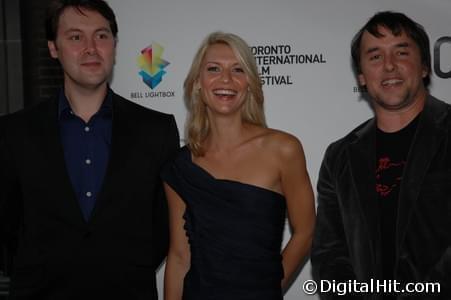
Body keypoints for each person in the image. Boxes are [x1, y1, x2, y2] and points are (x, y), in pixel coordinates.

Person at [0, 0, 179, 299]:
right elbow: (6, 226)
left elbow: (165, 226)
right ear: (53, 48)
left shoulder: (156, 130)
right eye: (75, 37)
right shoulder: (13, 132)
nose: (91, 47)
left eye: (101, 35)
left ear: (115, 45)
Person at [161, 32, 315, 300]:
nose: (226, 79)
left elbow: (306, 231)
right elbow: (178, 256)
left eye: (238, 69)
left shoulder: (283, 149)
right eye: (213, 69)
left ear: (250, 83)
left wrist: (268, 288)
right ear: (198, 83)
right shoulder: (180, 166)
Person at [311, 11, 450, 299]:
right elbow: (330, 255)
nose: (389, 66)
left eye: (401, 52)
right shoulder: (340, 157)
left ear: (424, 66)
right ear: (361, 76)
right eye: (375, 56)